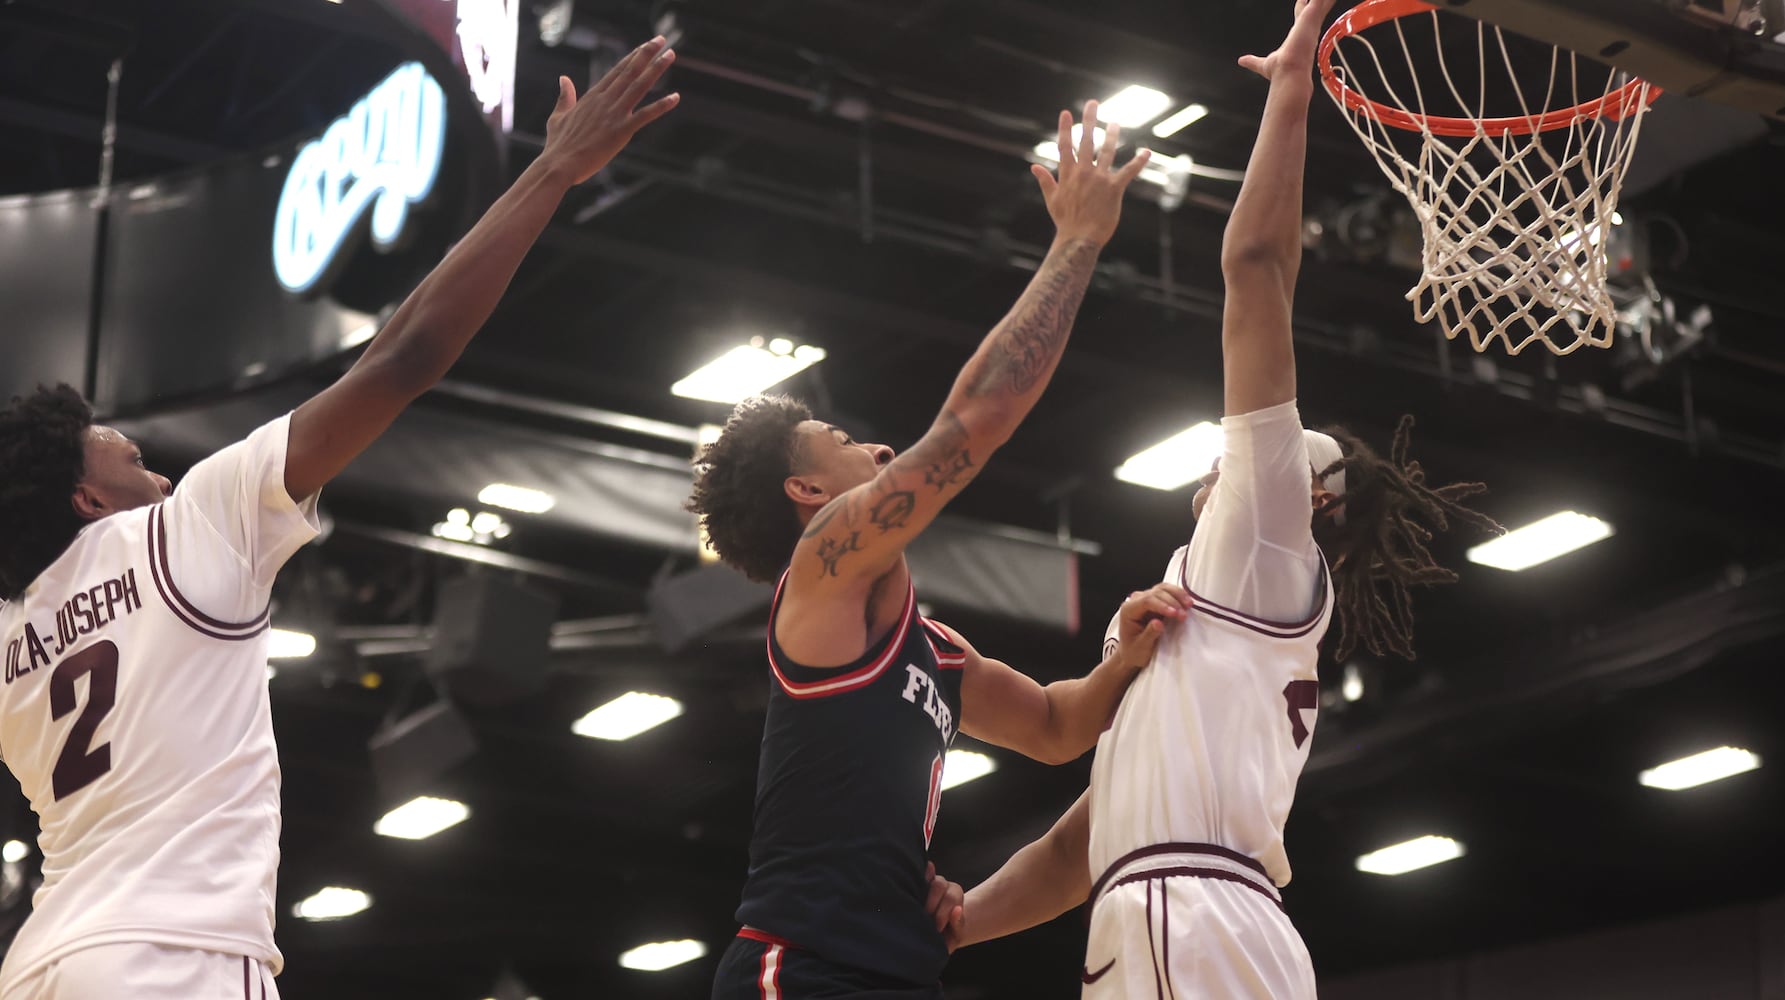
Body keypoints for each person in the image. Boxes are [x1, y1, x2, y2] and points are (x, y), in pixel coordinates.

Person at [0, 38, 681, 1000]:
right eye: (135, 460)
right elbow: (401, 359)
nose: (161, 473)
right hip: (172, 956)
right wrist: (552, 170)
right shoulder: (191, 525)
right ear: (86, 498)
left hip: (38, 965)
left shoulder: (11, 631)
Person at [944, 3, 1503, 996]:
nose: (1239, 451)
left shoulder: (1262, 540)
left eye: (1277, 454)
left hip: (1188, 920)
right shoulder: (1202, 616)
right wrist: (959, 921)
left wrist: (1292, 88)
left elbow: (1256, 271)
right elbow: (1086, 843)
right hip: (1197, 915)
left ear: (1306, 499)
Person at [689, 103, 1184, 999]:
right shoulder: (826, 564)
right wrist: (1075, 242)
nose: (876, 449)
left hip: (896, 970)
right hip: (800, 969)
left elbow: (1054, 728)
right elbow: (975, 421)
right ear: (808, 493)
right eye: (839, 438)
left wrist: (1124, 651)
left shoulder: (936, 650)